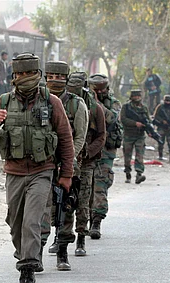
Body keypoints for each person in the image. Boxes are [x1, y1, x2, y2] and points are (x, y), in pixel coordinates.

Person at [0, 53, 74, 283]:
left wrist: (66, 174)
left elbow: (66, 140)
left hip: (42, 170)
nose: (24, 78)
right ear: (13, 77)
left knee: (32, 220)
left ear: (38, 76)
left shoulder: (52, 102)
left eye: (29, 74)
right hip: (13, 172)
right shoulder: (3, 102)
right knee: (15, 223)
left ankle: (27, 271)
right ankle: (25, 253)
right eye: (19, 74)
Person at [40, 61, 88, 270]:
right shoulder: (38, 100)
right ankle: (36, 254)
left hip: (67, 165)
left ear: (66, 79)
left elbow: (79, 137)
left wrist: (68, 160)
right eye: (50, 77)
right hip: (41, 164)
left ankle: (62, 251)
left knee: (65, 207)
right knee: (41, 209)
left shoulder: (77, 105)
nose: (54, 81)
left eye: (59, 77)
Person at [66, 72, 106, 247]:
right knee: (63, 201)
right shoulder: (62, 104)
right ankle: (62, 237)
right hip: (67, 160)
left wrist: (88, 152)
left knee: (83, 201)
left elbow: (101, 136)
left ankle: (81, 237)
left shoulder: (95, 108)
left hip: (86, 162)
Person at [88, 73, 122, 239]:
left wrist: (96, 103)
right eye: (96, 90)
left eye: (102, 89)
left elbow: (111, 119)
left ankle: (97, 221)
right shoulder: (82, 100)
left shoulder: (113, 103)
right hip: (87, 149)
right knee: (85, 187)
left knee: (100, 184)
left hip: (106, 151)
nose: (100, 92)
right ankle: (86, 218)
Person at [120, 89, 151, 184]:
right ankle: (128, 173)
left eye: (138, 96)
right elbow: (123, 119)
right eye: (135, 96)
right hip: (128, 135)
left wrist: (149, 129)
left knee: (139, 155)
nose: (137, 98)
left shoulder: (144, 108)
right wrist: (134, 123)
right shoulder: (126, 107)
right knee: (127, 156)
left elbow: (148, 120)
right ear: (131, 97)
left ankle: (139, 174)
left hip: (140, 135)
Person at [153, 95, 170, 161]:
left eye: (169, 101)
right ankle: (160, 155)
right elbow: (155, 116)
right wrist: (162, 121)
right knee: (160, 142)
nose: (168, 102)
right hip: (161, 127)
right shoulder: (160, 107)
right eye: (166, 101)